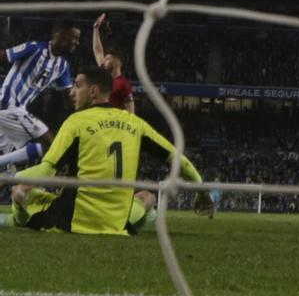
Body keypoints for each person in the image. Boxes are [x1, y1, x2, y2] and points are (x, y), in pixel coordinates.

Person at [5, 66, 211, 235]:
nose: (72, 92)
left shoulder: (76, 122)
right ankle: (138, 220)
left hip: (72, 221)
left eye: (77, 86)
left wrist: (10, 178)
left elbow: (46, 172)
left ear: (93, 91)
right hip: (118, 224)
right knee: (147, 197)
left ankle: (18, 221)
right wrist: (201, 190)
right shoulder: (136, 123)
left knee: (20, 190)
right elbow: (178, 159)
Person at [0, 22, 80, 172]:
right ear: (62, 36)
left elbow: (68, 98)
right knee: (52, 144)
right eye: (74, 38)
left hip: (17, 110)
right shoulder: (34, 48)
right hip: (8, 105)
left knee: (6, 161)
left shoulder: (62, 66)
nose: (77, 42)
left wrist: (83, 110)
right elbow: (3, 55)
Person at [92, 14, 134, 113]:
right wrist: (96, 28)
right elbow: (98, 51)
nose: (103, 61)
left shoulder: (124, 84)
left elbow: (131, 113)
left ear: (117, 62)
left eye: (107, 59)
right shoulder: (104, 75)